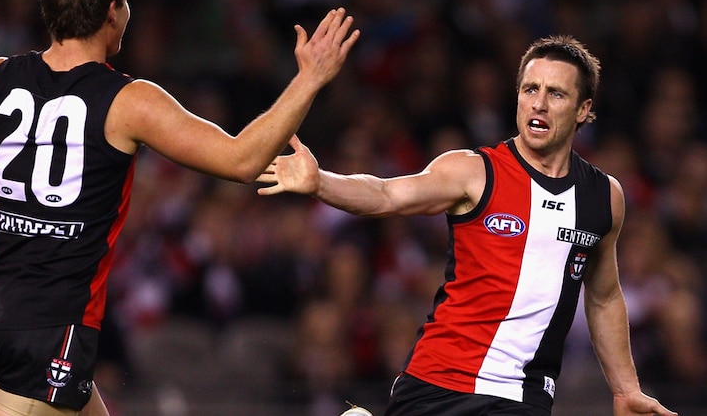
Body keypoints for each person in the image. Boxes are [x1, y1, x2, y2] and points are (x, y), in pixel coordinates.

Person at [0, 0, 359, 416]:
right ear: (113, 12)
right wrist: (309, 79)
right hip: (54, 329)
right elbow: (242, 160)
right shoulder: (128, 101)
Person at [257, 35, 677, 416]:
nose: (539, 104)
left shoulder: (604, 197)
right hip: (437, 382)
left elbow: (603, 297)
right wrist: (320, 182)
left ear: (584, 109)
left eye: (556, 94)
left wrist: (625, 391)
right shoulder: (473, 171)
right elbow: (387, 195)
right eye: (530, 90)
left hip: (523, 396)